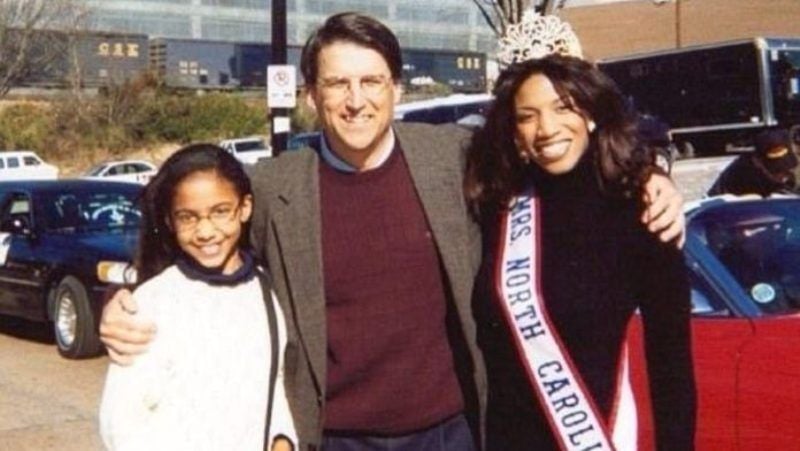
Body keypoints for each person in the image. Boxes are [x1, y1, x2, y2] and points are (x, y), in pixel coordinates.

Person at [98, 12, 687, 450]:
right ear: (311, 95)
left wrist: (651, 178)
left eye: (372, 82)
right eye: (337, 84)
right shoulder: (275, 189)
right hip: (335, 435)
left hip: (453, 431)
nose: (356, 101)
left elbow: (558, 165)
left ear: (396, 90)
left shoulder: (457, 159)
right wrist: (126, 300)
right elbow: (204, 251)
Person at [464, 15, 696, 450]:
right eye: (527, 116)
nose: (547, 129)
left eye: (563, 107)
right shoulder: (497, 204)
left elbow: (671, 367)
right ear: (513, 129)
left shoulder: (640, 210)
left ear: (589, 110)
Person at [98, 144, 296, 451]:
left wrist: (282, 438)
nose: (205, 231)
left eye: (220, 212)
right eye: (188, 217)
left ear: (244, 208)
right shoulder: (152, 302)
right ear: (169, 221)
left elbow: (276, 383)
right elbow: (120, 422)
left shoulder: (268, 291)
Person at [707, 128, 799, 197]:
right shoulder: (738, 176)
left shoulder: (796, 168)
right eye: (776, 171)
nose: (783, 177)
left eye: (787, 170)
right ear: (757, 162)